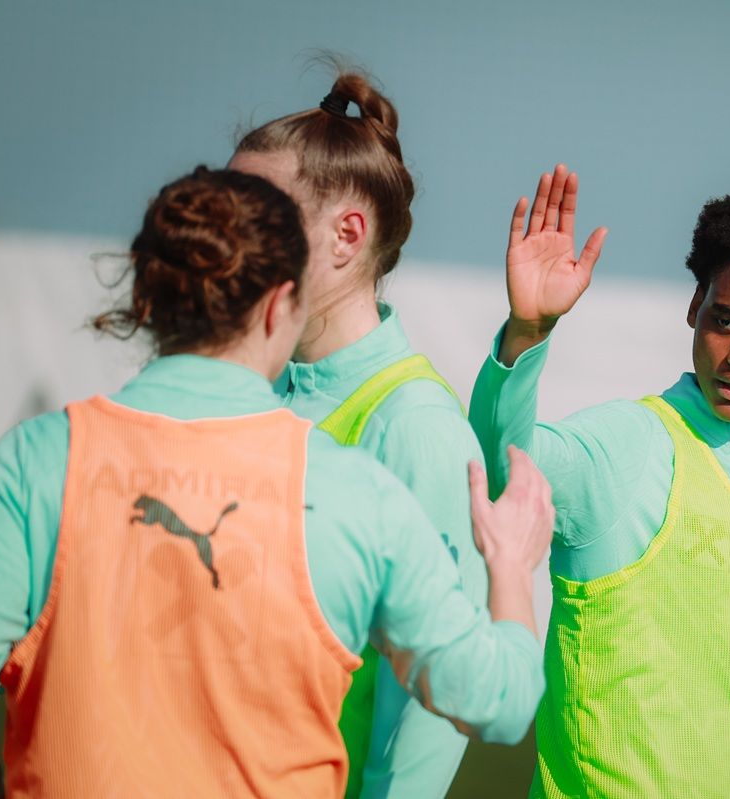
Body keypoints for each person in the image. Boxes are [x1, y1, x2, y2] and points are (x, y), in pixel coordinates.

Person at [0, 167, 552, 798]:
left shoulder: (34, 462)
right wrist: (510, 567)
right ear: (283, 303)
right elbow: (499, 701)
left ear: (144, 297)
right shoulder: (356, 492)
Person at [469, 165, 730, 797]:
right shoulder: (629, 443)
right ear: (694, 305)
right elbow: (501, 471)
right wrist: (528, 332)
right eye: (729, 321)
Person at [226, 68, 488, 799]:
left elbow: (430, 708)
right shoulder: (243, 386)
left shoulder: (417, 428)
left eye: (254, 216)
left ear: (347, 235)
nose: (222, 239)